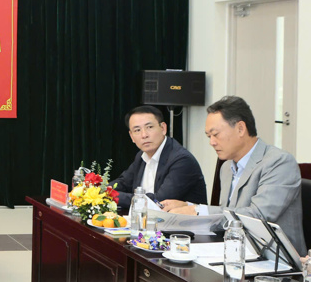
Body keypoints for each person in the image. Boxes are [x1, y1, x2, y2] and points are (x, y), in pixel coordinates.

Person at [161, 96, 305, 251]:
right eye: (209, 136)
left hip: (277, 261)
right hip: (236, 251)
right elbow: (227, 215)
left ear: (240, 128)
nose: (212, 142)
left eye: (215, 134)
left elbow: (257, 216)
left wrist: (197, 210)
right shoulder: (226, 167)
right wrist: (189, 206)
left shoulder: (279, 162)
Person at [111, 105, 207, 211]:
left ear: (163, 128)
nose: (144, 135)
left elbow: (159, 202)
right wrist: (101, 191)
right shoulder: (141, 156)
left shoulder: (181, 160)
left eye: (149, 127)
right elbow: (123, 183)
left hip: (182, 225)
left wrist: (112, 196)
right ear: (132, 136)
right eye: (137, 130)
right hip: (148, 222)